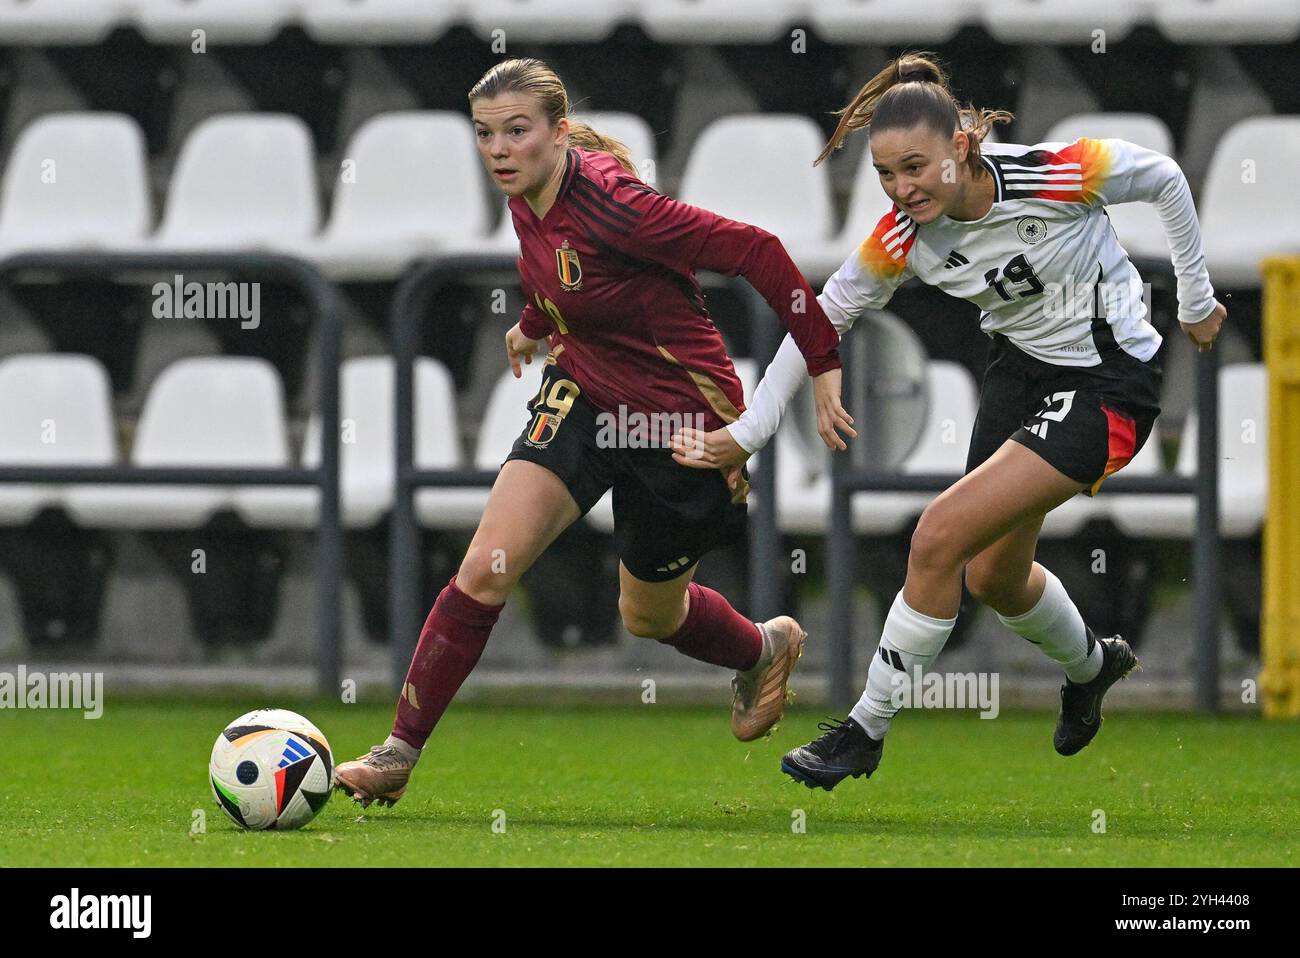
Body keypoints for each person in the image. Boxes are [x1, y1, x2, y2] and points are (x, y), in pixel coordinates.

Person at [671, 52, 1226, 791]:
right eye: (886, 176)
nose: (902, 190)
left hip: (1110, 385)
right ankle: (1094, 667)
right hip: (1020, 377)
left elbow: (1163, 177)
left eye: (916, 167)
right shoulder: (902, 237)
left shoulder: (1054, 173)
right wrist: (750, 432)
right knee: (994, 575)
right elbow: (817, 317)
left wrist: (1194, 298)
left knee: (936, 536)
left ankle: (863, 731)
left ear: (961, 148)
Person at [334, 58, 855, 807]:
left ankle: (762, 645)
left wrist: (823, 360)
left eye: (517, 131)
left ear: (557, 131)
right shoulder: (524, 194)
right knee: (487, 564)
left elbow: (758, 251)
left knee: (647, 615)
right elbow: (556, 270)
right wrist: (532, 324)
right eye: (486, 135)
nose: (500, 150)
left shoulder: (619, 206)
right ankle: (397, 753)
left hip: (679, 420)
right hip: (583, 395)